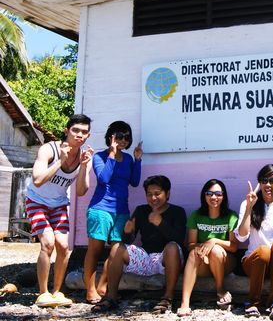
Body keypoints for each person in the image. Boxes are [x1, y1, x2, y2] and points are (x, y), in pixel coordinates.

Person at [25, 114, 94, 307]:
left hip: (59, 203)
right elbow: (37, 180)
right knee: (47, 243)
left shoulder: (84, 157)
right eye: (76, 130)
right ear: (67, 131)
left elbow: (81, 191)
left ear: (88, 136)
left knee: (63, 246)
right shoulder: (49, 149)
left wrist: (83, 166)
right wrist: (60, 162)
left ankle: (57, 291)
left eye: (84, 132)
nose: (80, 135)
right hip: (36, 200)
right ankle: (43, 292)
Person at [91, 175, 186, 313]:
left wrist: (160, 223)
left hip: (166, 260)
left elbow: (178, 239)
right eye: (149, 194)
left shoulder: (177, 212)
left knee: (172, 247)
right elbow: (128, 241)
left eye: (157, 193)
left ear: (167, 193)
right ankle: (111, 297)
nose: (153, 198)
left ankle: (168, 297)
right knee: (117, 246)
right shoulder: (141, 210)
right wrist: (127, 232)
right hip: (145, 257)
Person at [83, 120, 143, 304]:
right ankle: (90, 290)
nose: (123, 140)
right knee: (95, 250)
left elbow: (134, 182)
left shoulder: (128, 159)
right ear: (111, 137)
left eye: (127, 137)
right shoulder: (100, 157)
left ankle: (103, 285)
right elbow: (104, 178)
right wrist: (111, 154)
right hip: (100, 209)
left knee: (116, 252)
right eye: (119, 136)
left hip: (121, 210)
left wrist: (138, 160)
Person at [234, 164, 273, 320]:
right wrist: (249, 207)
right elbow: (241, 236)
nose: (268, 184)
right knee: (263, 251)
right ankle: (253, 303)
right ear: (259, 183)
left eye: (272, 180)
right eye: (264, 180)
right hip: (254, 261)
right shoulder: (248, 203)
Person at [176, 179, 239, 317]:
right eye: (209, 193)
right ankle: (185, 303)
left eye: (218, 193)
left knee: (216, 250)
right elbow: (191, 244)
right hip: (203, 262)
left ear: (223, 196)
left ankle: (220, 289)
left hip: (225, 261)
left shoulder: (231, 216)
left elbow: (234, 247)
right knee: (193, 253)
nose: (214, 197)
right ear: (204, 196)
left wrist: (214, 241)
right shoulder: (196, 215)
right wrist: (203, 248)